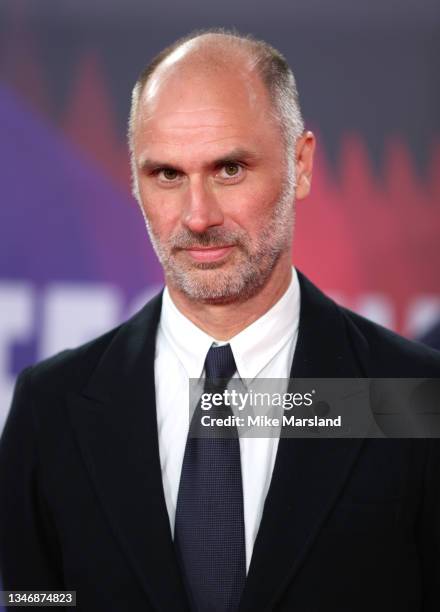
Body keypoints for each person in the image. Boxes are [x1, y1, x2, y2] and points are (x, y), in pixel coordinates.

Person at [1, 29, 439, 612]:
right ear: (134, 180)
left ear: (301, 164)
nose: (198, 216)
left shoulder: (410, 396)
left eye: (229, 168)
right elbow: (32, 597)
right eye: (167, 175)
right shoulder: (51, 405)